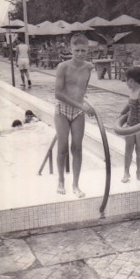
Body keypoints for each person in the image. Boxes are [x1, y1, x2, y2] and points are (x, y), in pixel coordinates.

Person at [54, 33, 94, 198]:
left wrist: (86, 104)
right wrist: (81, 106)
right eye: (76, 50)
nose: (80, 54)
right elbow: (58, 94)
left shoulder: (89, 67)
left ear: (87, 50)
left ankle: (76, 184)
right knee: (62, 149)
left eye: (83, 50)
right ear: (70, 49)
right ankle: (61, 180)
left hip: (78, 112)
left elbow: (82, 90)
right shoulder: (62, 67)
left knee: (77, 148)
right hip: (62, 110)